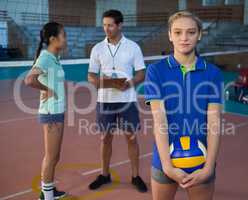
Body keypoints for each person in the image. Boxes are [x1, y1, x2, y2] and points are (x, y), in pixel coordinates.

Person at [144, 11, 223, 200]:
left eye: (191, 32)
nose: (184, 38)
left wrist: (209, 167)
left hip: (201, 159)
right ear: (170, 35)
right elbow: (159, 120)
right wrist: (168, 166)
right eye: (178, 32)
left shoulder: (212, 73)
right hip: (165, 159)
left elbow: (214, 122)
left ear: (200, 34)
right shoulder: (156, 71)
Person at [87, 9, 147, 192]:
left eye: (110, 25)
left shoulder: (133, 47)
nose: (107, 29)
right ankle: (105, 175)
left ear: (120, 25)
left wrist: (130, 83)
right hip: (105, 101)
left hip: (127, 100)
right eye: (104, 25)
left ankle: (136, 176)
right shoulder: (97, 48)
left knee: (131, 138)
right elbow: (90, 75)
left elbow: (141, 74)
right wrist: (100, 82)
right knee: (105, 138)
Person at [24, 22, 67, 200]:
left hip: (56, 112)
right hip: (51, 113)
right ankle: (47, 197)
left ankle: (47, 191)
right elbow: (29, 80)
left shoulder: (54, 58)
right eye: (63, 35)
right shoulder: (46, 57)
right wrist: (47, 90)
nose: (66, 38)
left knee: (55, 155)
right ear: (52, 39)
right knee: (51, 156)